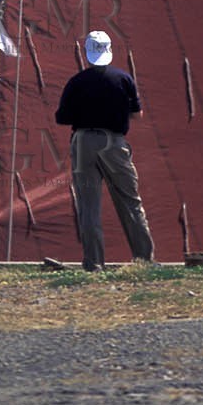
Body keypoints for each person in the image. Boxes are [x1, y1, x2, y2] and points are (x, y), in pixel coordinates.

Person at [55, 30, 155, 270]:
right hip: (114, 143)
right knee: (130, 200)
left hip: (83, 143)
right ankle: (144, 259)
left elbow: (62, 118)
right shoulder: (123, 79)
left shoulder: (76, 82)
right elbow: (137, 114)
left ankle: (94, 263)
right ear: (110, 51)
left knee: (89, 205)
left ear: (87, 53)